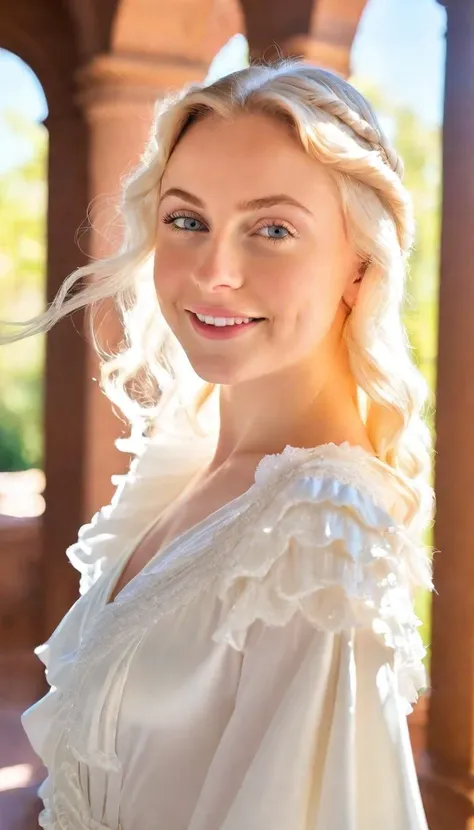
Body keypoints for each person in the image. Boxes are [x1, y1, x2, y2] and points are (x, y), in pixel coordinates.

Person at [4, 59, 434, 829]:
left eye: (272, 230)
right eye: (187, 220)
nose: (214, 272)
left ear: (359, 262)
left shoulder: (317, 540)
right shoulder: (188, 471)